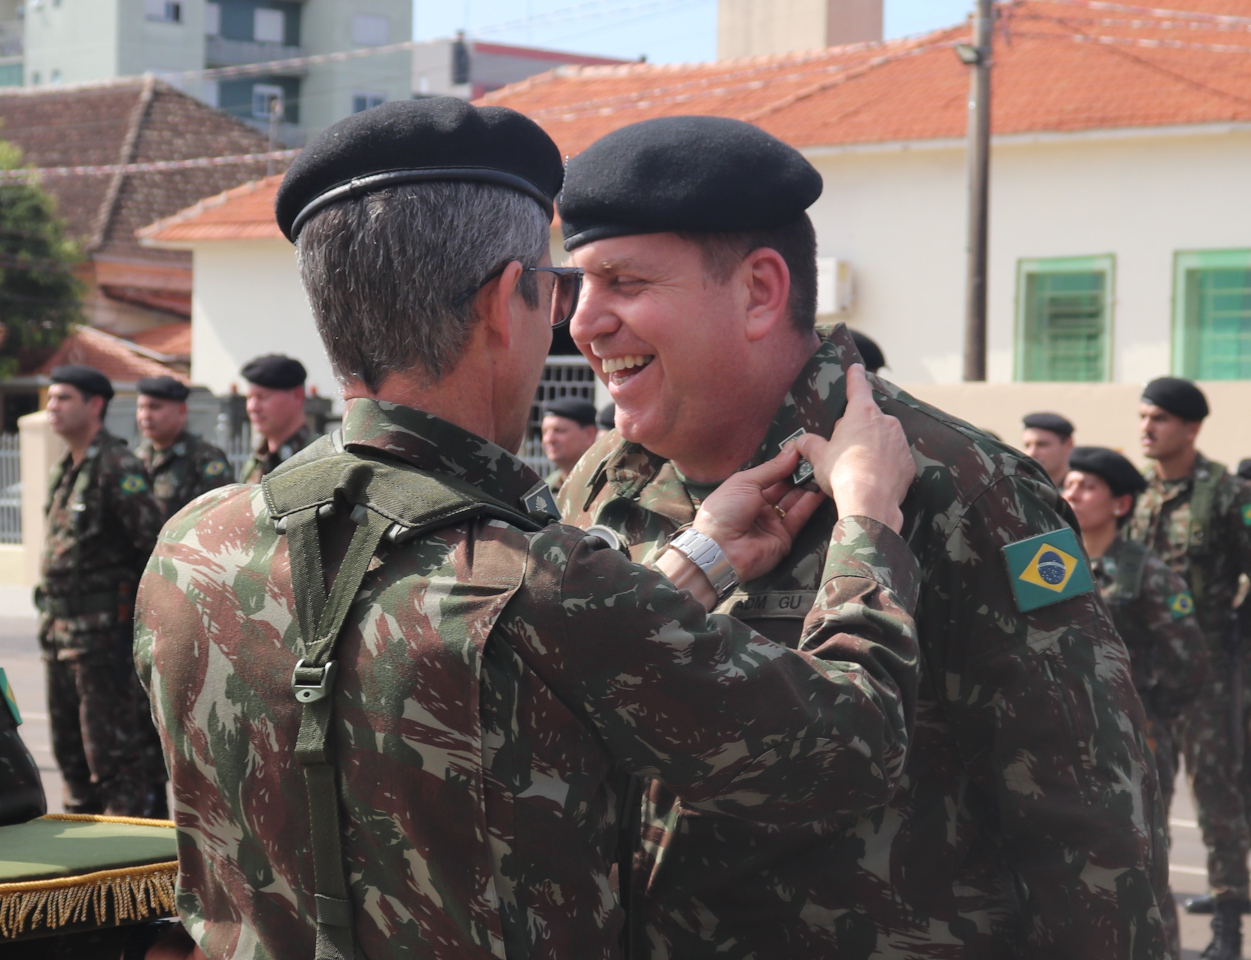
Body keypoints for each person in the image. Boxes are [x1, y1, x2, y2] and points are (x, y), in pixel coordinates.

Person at [133, 98, 923, 960]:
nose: (574, 321)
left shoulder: (192, 547)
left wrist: (698, 554)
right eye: (555, 290)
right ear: (506, 301)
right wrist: (869, 521)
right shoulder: (541, 578)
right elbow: (847, 749)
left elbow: (507, 682)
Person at [556, 115, 1169, 958]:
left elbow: (1088, 823)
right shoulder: (601, 481)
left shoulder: (959, 485)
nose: (584, 322)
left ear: (760, 292)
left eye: (621, 282)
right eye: (577, 284)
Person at [1063, 445, 1209, 959]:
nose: (1072, 492)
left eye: (1087, 486)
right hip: (1060, 733)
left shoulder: (1146, 570)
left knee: (1142, 858)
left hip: (1132, 738)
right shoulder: (1051, 560)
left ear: (1120, 504)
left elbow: (1189, 657)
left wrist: (1151, 713)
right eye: (1070, 482)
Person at [1126, 376, 1251, 960]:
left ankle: (1228, 928)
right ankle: (1154, 919)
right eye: (1143, 416)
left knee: (1217, 798)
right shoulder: (1136, 495)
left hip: (1208, 674)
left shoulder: (1225, 493)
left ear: (1192, 428)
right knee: (1148, 795)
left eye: (1160, 419)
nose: (1146, 428)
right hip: (1147, 676)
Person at [38, 365, 165, 817]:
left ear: (95, 405)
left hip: (100, 641)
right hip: (59, 634)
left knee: (112, 762)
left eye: (63, 398)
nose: (52, 407)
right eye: (50, 398)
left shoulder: (118, 466)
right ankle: (79, 876)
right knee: (70, 758)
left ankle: (125, 874)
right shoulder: (65, 469)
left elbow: (153, 547)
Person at [134, 375, 234, 520]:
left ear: (181, 411)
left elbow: (225, 512)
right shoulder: (139, 458)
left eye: (154, 407)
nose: (145, 416)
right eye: (141, 407)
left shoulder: (205, 457)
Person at [238, 354, 317, 482]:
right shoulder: (255, 463)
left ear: (297, 396)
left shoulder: (318, 458)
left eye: (262, 397)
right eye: (249, 398)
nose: (253, 407)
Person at [541, 396, 599, 492]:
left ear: (589, 435)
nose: (548, 439)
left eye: (559, 430)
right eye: (544, 432)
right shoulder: (547, 487)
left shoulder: (605, 485)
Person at [1021, 411, 1075, 486]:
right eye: (1027, 446)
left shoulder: (1078, 493)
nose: (1031, 453)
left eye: (1042, 445)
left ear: (1068, 444)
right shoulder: (1019, 488)